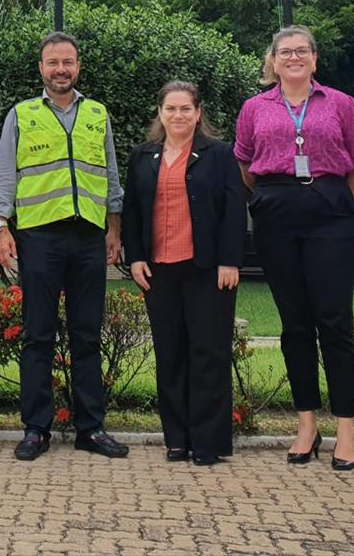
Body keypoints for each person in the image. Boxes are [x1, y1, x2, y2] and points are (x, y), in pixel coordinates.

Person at [234, 25, 354, 471]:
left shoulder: (341, 104)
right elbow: (244, 163)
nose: (293, 57)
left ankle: (346, 428)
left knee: (334, 320)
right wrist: (273, 198)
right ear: (272, 61)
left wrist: (332, 199)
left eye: (301, 51)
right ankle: (307, 424)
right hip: (277, 211)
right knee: (295, 325)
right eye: (284, 52)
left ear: (314, 59)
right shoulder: (255, 107)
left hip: (330, 209)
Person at [0, 32, 129, 461]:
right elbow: (4, 175)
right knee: (38, 335)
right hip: (39, 238)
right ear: (41, 68)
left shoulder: (97, 113)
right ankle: (36, 429)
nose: (61, 69)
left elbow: (109, 175)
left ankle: (91, 427)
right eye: (53, 62)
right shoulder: (22, 113)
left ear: (78, 66)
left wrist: (114, 229)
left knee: (87, 335)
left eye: (67, 62)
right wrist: (0, 227)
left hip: (89, 236)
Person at [123, 81, 245, 466]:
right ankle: (176, 439)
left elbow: (233, 209)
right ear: (160, 113)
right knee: (170, 355)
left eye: (185, 109)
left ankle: (207, 443)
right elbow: (132, 212)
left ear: (198, 113)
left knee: (208, 354)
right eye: (171, 109)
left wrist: (230, 260)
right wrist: (136, 257)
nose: (178, 116)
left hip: (208, 269)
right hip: (159, 270)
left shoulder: (220, 154)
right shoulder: (142, 157)